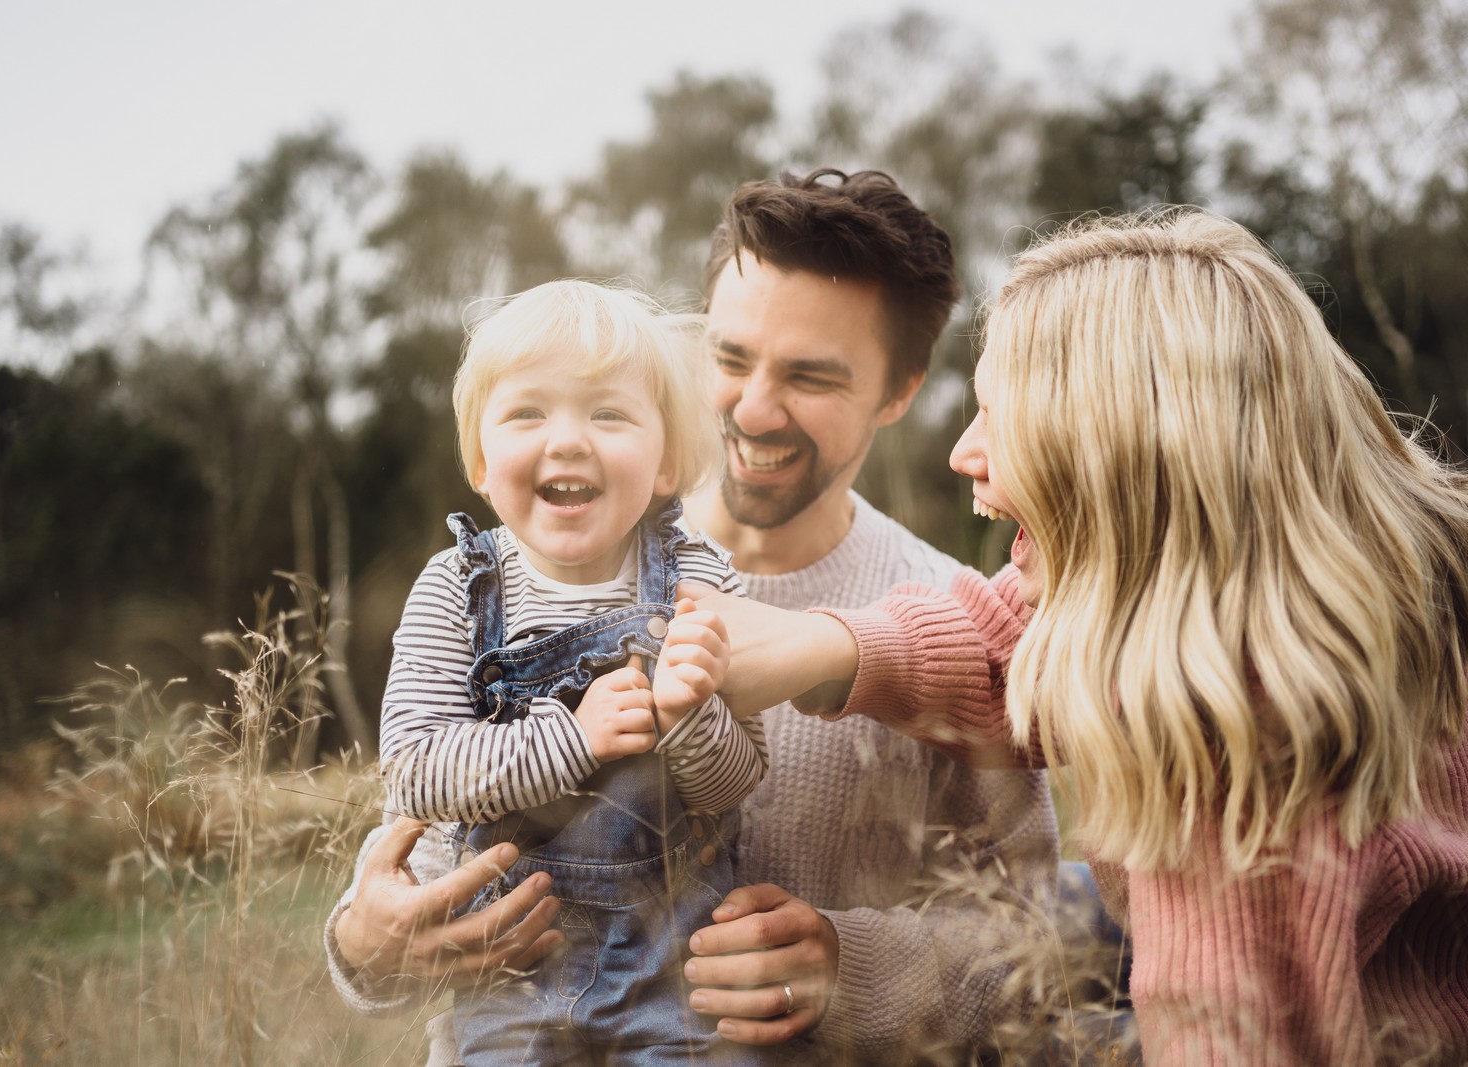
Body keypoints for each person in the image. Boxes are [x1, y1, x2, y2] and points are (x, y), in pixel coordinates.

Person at [328, 170, 1060, 1066]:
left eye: (812, 376)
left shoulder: (961, 630)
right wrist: (365, 945)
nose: (753, 410)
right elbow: (436, 800)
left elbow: (1042, 946)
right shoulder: (526, 569)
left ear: (900, 390)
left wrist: (856, 963)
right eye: (729, 358)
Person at [703, 209, 1468, 1066]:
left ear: (1122, 450)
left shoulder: (1235, 757)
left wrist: (864, 968)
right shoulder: (1272, 589)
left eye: (1001, 415)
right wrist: (834, 646)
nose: (965, 452)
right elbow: (1013, 647)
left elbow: (1226, 1035)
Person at [379, 279, 766, 1065]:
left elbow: (738, 782)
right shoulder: (457, 587)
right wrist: (574, 737)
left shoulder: (702, 579)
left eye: (608, 413)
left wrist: (695, 714)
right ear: (483, 460)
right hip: (514, 975)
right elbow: (416, 768)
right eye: (529, 412)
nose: (568, 439)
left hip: (678, 976)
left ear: (666, 463)